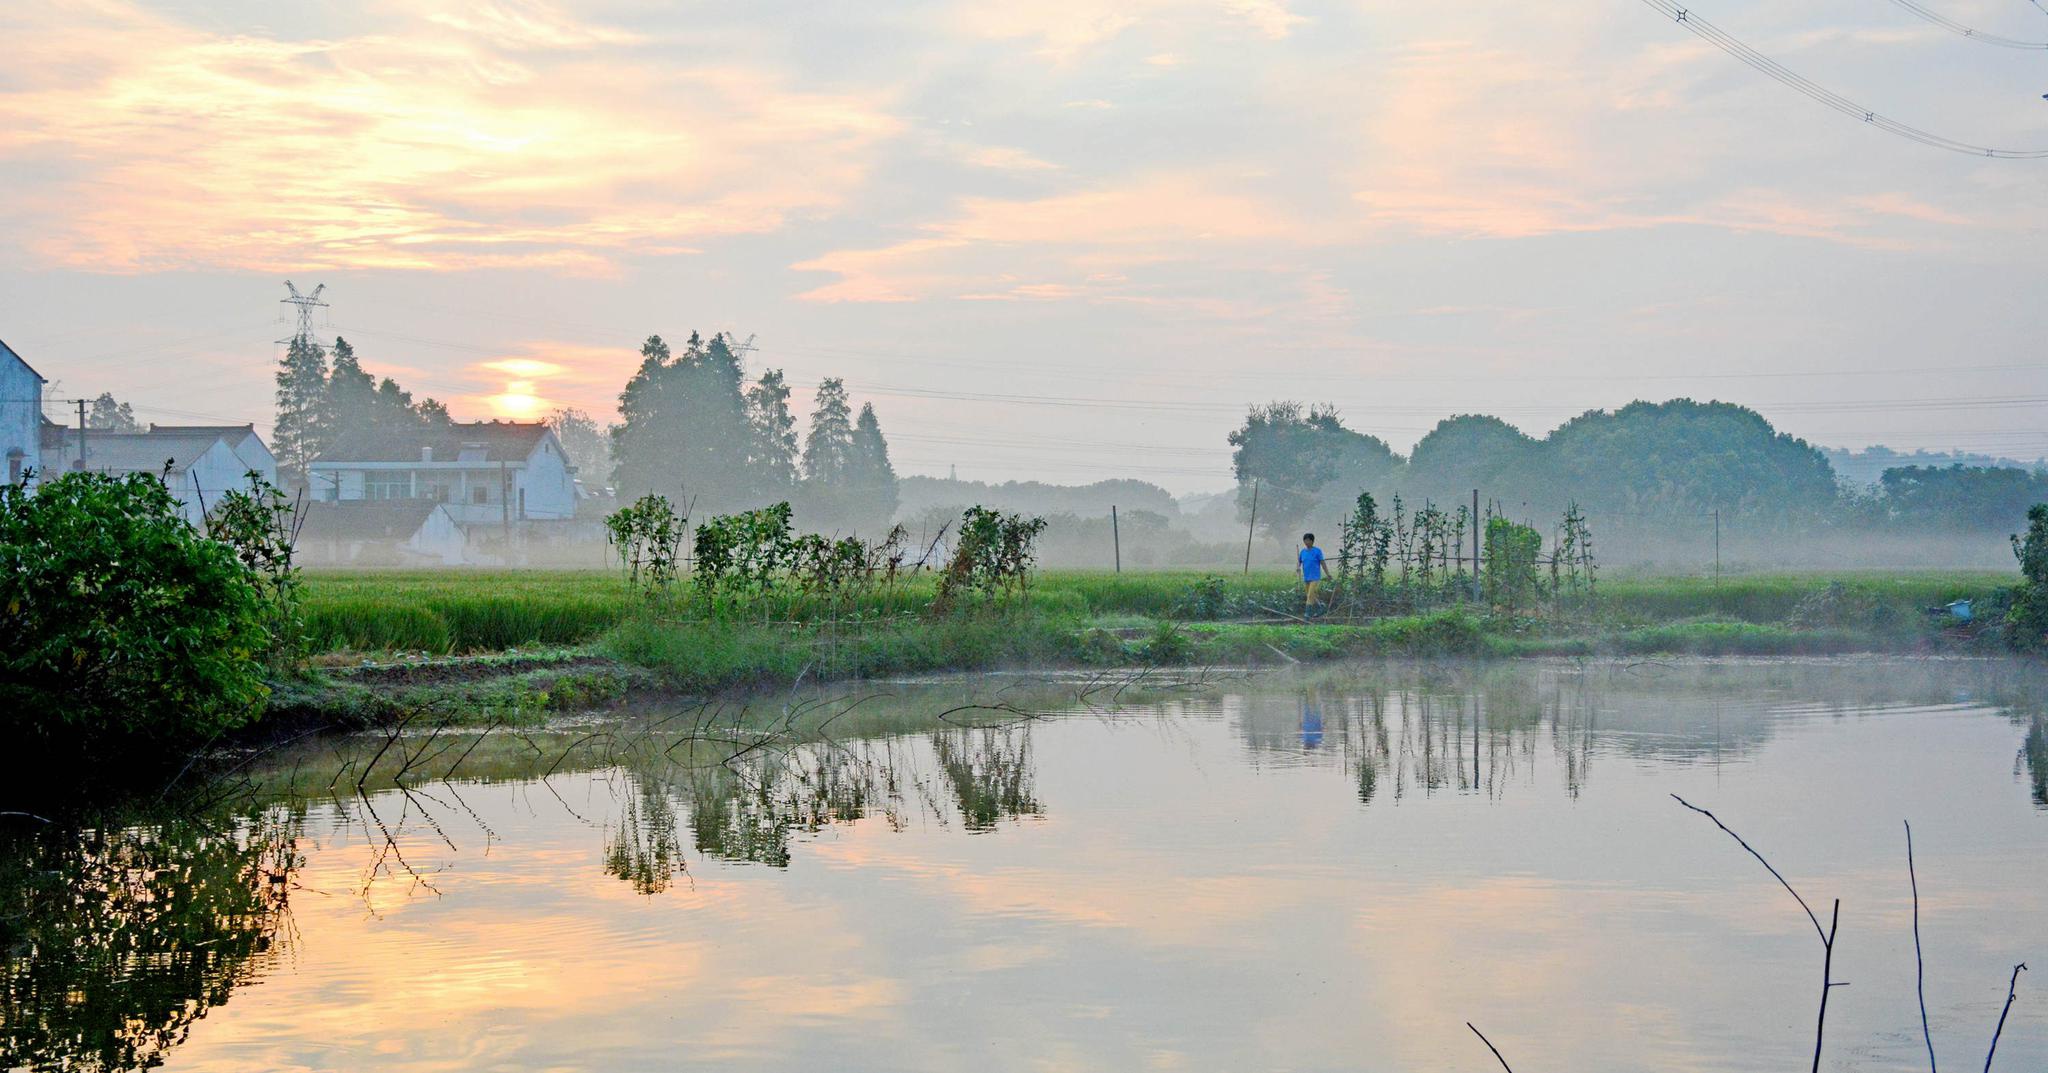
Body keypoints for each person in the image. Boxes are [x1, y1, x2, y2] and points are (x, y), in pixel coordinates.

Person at [1297, 532, 1326, 617]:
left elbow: (1323, 563)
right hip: (1306, 577)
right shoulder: (1302, 552)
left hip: (1315, 577)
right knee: (1310, 595)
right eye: (1305, 540)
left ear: (1312, 541)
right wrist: (1298, 567)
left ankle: (1307, 613)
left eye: (1308, 540)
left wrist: (1327, 573)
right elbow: (1299, 562)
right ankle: (1321, 607)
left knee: (1310, 595)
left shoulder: (1317, 551)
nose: (1306, 542)